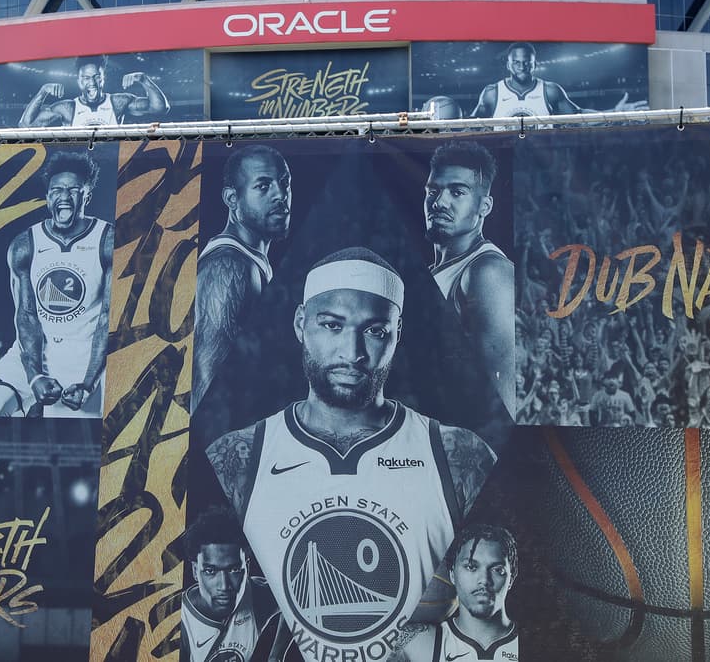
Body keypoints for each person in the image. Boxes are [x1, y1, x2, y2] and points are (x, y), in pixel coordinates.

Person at [206, 248, 496, 662]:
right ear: (301, 324)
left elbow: (495, 603)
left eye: (375, 331)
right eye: (332, 325)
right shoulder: (237, 458)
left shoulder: (459, 456)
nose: (353, 351)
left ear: (399, 332)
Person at [0, 150, 113, 418]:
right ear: (48, 197)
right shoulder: (25, 245)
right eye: (57, 189)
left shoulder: (107, 240)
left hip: (84, 359)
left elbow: (107, 319)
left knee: (68, 439)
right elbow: (26, 316)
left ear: (87, 196)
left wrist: (89, 382)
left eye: (73, 190)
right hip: (31, 354)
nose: (64, 195)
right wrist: (35, 376)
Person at [192, 145, 292, 414]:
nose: (280, 195)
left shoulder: (252, 261)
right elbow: (206, 380)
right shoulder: (229, 265)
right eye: (263, 186)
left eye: (284, 184)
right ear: (232, 198)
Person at [425, 142, 516, 418]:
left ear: (484, 206)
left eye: (457, 192)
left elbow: (503, 392)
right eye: (433, 191)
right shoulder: (439, 271)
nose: (439, 202)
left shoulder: (486, 272)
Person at [180, 505, 279, 662]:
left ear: (247, 567)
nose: (224, 586)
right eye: (210, 571)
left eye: (234, 570)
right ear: (194, 571)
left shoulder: (266, 596)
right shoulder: (178, 621)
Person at [470, 42, 648, 120]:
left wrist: (614, 113)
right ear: (508, 65)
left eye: (526, 62)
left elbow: (578, 116)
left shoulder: (550, 91)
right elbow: (469, 126)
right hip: (502, 156)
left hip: (539, 158)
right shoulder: (492, 93)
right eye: (516, 62)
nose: (522, 66)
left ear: (534, 64)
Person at [433, 524, 520, 662]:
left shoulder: (541, 647)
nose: (484, 580)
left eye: (497, 570)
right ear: (452, 575)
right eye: (471, 567)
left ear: (511, 579)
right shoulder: (420, 643)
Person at [17, 55, 169, 127]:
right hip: (78, 164)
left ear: (104, 78)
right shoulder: (68, 108)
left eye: (96, 77)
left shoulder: (117, 102)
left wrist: (144, 80)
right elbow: (26, 125)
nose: (92, 83)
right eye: (86, 78)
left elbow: (160, 108)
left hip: (112, 162)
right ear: (79, 80)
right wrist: (43, 92)